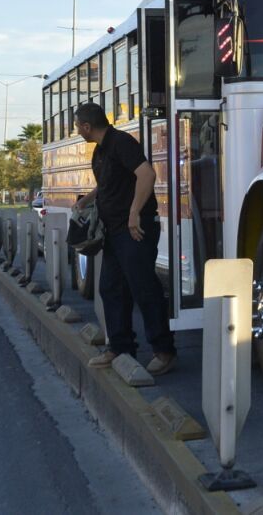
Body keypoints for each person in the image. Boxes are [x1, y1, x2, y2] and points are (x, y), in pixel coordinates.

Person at [73, 102, 177, 376]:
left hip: (135, 229)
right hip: (114, 231)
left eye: (77, 126)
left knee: (144, 288)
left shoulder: (121, 142)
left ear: (86, 126)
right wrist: (87, 199)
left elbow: (147, 174)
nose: (77, 131)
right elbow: (110, 182)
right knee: (110, 288)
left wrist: (134, 213)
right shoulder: (101, 150)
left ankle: (164, 351)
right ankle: (120, 348)